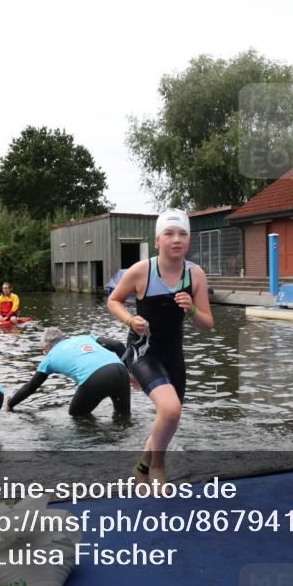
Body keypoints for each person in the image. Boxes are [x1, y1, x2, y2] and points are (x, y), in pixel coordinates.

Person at [107, 208, 214, 487]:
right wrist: (131, 320)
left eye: (182, 234)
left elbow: (207, 324)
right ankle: (158, 466)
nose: (176, 239)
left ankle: (141, 467)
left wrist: (191, 311)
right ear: (157, 241)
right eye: (169, 234)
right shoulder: (142, 270)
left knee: (169, 418)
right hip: (143, 353)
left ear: (189, 240)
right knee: (170, 410)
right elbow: (114, 301)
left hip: (173, 355)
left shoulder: (196, 275)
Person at [6, 328, 130, 417]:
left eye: (43, 349)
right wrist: (131, 373)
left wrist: (10, 404)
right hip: (121, 371)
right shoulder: (85, 337)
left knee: (76, 415)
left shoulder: (49, 358)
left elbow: (31, 386)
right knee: (123, 417)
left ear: (47, 346)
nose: (44, 353)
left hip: (96, 378)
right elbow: (118, 345)